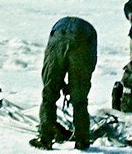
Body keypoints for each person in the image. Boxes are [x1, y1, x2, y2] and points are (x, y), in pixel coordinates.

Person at [30, 16, 97, 151]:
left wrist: (61, 84)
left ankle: (45, 138)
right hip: (84, 36)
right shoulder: (89, 33)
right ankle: (81, 140)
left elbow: (50, 74)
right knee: (79, 100)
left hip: (58, 34)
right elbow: (88, 65)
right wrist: (74, 87)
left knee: (49, 96)